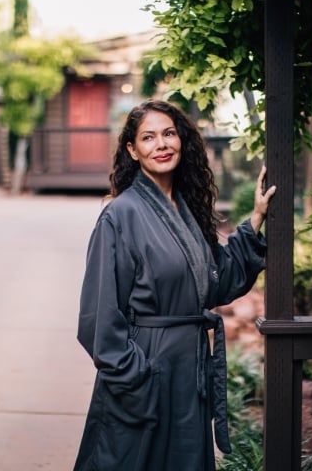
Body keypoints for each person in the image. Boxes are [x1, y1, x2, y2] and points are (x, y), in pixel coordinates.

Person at [74, 99, 276, 471]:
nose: (161, 144)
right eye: (148, 138)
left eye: (168, 134)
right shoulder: (120, 216)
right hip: (146, 372)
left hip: (188, 369)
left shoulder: (187, 211)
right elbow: (98, 319)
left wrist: (257, 218)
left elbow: (218, 282)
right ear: (133, 151)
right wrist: (137, 376)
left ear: (181, 140)